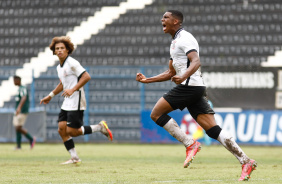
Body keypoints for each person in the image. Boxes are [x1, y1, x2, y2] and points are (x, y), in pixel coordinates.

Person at [136, 10, 257, 181]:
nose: (162, 19)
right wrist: (148, 80)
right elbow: (170, 72)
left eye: (166, 17)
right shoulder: (175, 41)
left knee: (156, 114)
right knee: (213, 130)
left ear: (176, 21)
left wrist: (184, 76)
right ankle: (246, 161)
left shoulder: (185, 38)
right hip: (195, 87)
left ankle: (190, 143)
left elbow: (196, 61)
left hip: (189, 87)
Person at [40, 36, 113, 165]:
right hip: (67, 101)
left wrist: (73, 89)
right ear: (54, 51)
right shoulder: (59, 67)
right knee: (61, 129)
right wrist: (50, 95)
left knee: (72, 131)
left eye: (62, 48)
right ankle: (74, 157)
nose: (60, 50)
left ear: (68, 50)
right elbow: (63, 84)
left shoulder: (72, 62)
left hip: (76, 100)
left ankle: (99, 127)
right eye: (57, 48)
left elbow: (86, 76)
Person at [13, 75, 36, 150]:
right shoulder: (19, 88)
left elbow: (24, 98)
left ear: (18, 80)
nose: (14, 82)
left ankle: (31, 139)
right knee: (17, 127)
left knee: (18, 127)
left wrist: (19, 108)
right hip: (19, 111)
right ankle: (18, 146)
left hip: (22, 111)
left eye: (15, 80)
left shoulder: (23, 88)